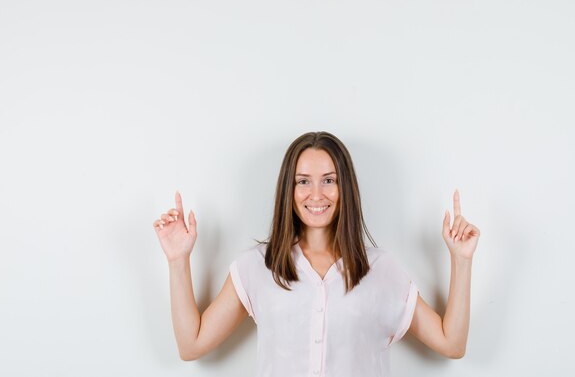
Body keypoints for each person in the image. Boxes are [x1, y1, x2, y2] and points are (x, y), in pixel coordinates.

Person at [152, 131, 480, 376]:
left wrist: (461, 260)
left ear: (344, 187)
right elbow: (191, 345)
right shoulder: (257, 266)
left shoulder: (381, 270)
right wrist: (178, 259)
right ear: (289, 189)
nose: (316, 194)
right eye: (303, 181)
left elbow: (451, 344)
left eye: (329, 180)